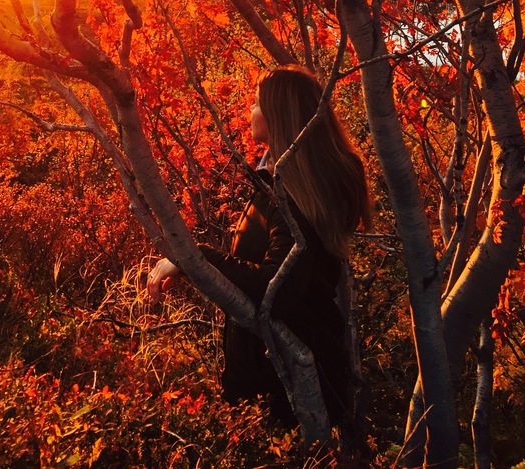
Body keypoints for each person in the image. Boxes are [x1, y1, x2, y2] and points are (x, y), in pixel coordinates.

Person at [147, 66, 371, 427]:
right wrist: (194, 268)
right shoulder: (282, 184)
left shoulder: (292, 193)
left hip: (286, 384)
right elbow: (265, 272)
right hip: (277, 371)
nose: (248, 111)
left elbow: (275, 287)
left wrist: (195, 258)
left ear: (279, 113)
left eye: (254, 103)